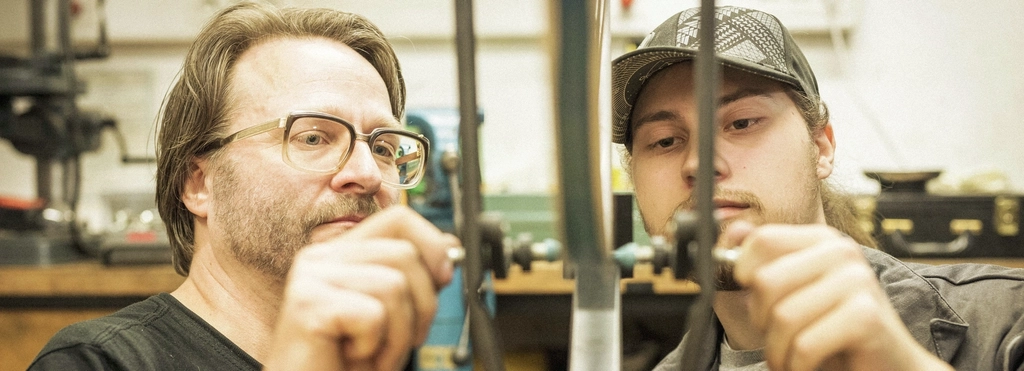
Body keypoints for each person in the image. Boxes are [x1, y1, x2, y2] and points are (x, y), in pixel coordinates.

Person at [29, 2, 457, 370]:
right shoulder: (97, 361)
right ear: (199, 184)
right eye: (312, 138)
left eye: (383, 148)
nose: (366, 173)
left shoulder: (388, 353)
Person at [612, 6, 1024, 371]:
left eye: (741, 123)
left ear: (821, 148)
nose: (699, 164)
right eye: (664, 141)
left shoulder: (1008, 322)